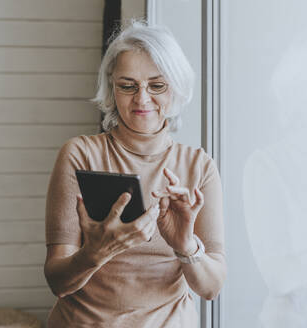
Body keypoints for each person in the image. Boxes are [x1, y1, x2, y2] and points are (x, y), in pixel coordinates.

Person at [44, 21, 226, 328]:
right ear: (111, 88)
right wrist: (95, 253)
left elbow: (211, 288)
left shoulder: (199, 167)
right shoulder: (80, 155)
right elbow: (58, 283)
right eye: (128, 86)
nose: (141, 99)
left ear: (177, 88)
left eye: (157, 85)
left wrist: (185, 246)